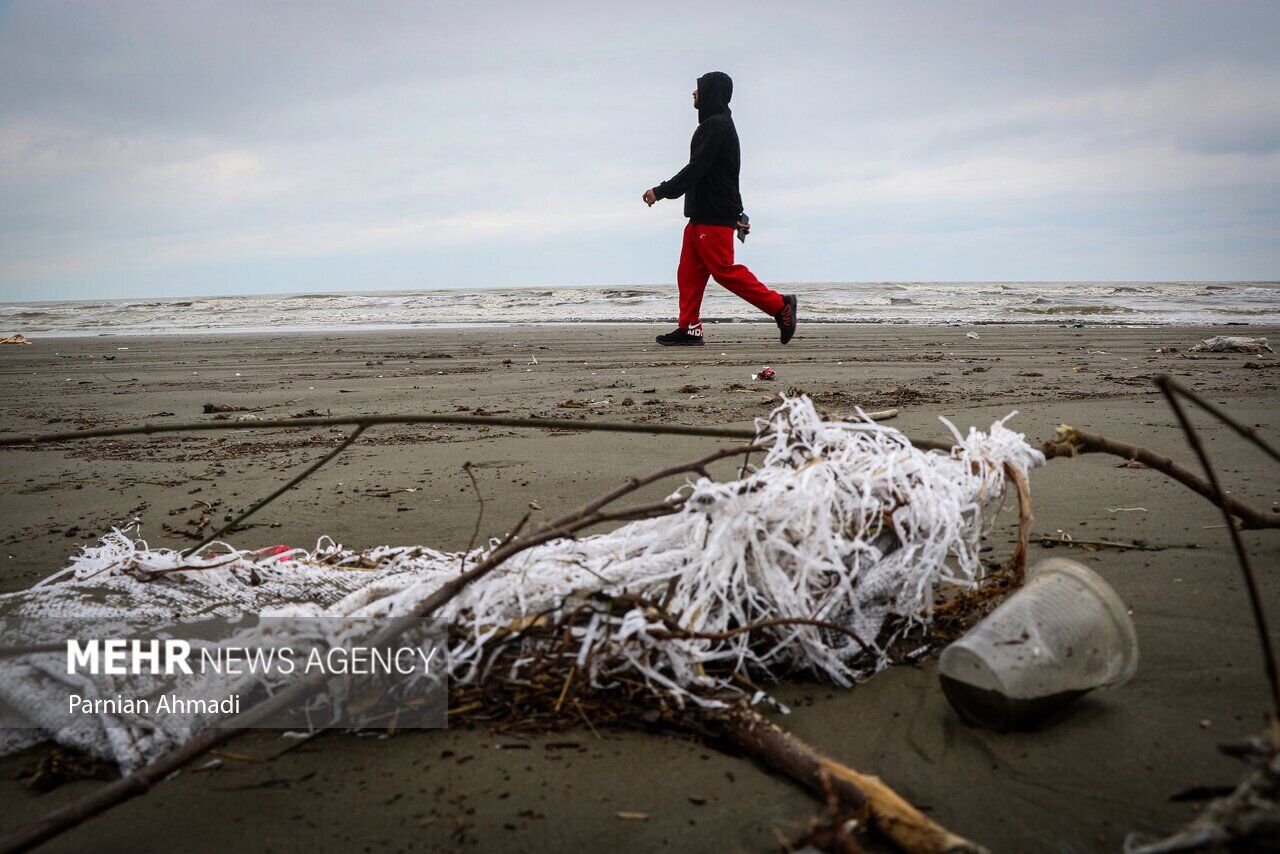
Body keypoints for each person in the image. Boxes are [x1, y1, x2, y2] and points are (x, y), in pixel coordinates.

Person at [643, 71, 796, 347]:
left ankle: (779, 305)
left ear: (712, 93)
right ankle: (689, 328)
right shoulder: (717, 125)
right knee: (688, 274)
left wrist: (662, 191)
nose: (694, 93)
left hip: (712, 218)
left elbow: (697, 169)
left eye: (699, 89)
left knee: (724, 271)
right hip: (700, 217)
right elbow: (726, 174)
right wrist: (736, 214)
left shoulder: (717, 126)